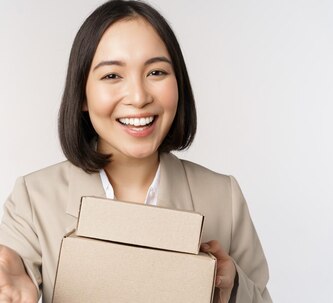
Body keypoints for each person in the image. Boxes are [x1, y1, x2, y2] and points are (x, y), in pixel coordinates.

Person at [0, 1, 272, 302]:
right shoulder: (34, 198)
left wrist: (231, 285)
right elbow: (12, 271)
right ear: (82, 95)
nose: (139, 97)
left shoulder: (224, 196)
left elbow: (260, 296)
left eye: (156, 72)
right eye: (112, 76)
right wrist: (11, 286)